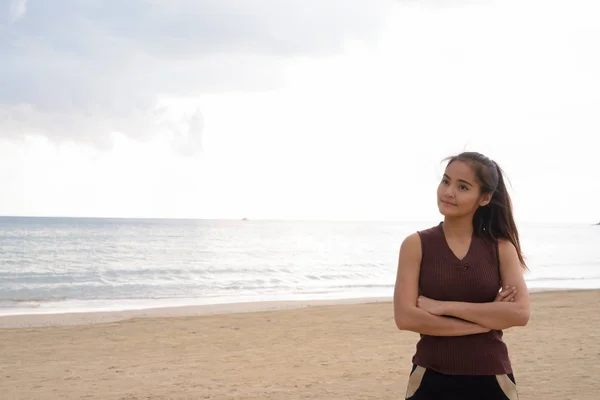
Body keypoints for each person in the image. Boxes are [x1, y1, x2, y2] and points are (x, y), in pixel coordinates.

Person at [393, 151, 530, 400]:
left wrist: (442, 307)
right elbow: (406, 318)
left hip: (492, 376)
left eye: (463, 186)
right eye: (446, 181)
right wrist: (487, 319)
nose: (448, 192)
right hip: (430, 376)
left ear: (485, 198)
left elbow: (520, 314)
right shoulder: (415, 245)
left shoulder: (501, 248)